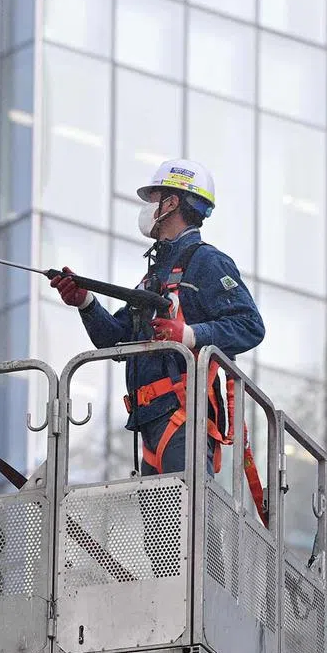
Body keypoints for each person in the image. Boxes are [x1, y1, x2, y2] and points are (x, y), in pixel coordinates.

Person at [50, 160, 265, 476]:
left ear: (173, 202)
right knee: (161, 525)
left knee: (183, 520)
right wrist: (86, 302)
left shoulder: (207, 262)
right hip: (150, 419)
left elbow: (250, 325)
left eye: (155, 199)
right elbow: (116, 339)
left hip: (183, 415)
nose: (149, 208)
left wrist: (188, 335)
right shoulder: (155, 276)